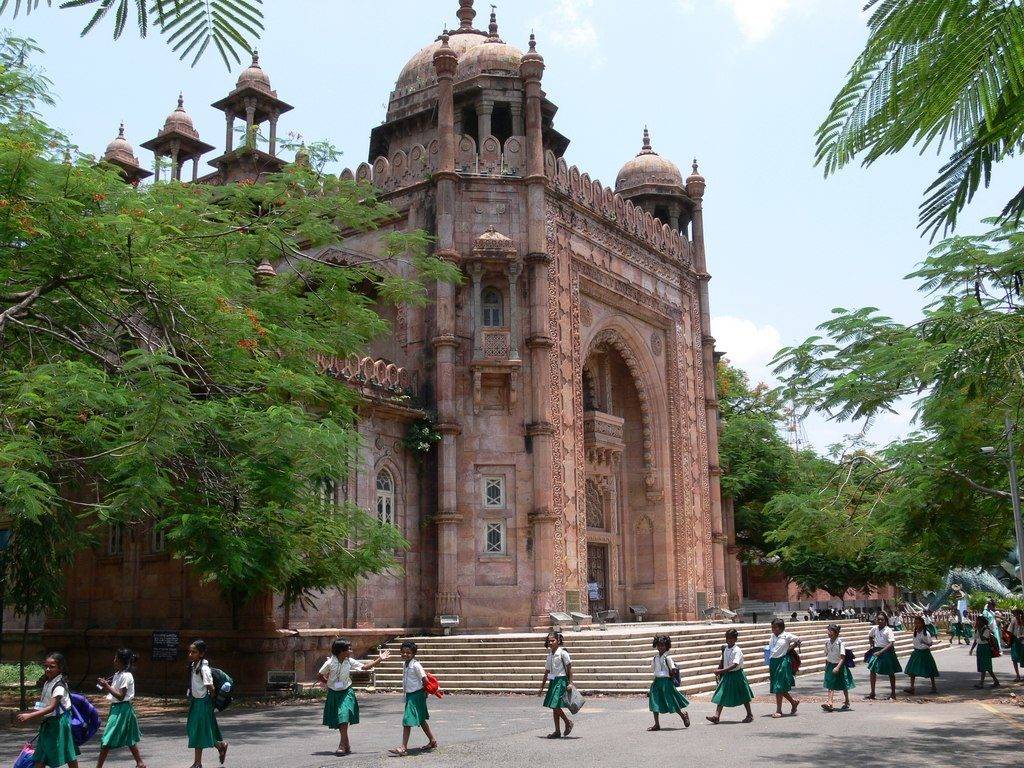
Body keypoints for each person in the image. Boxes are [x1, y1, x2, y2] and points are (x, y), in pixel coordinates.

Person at [317, 639, 390, 756]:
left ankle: (342, 745)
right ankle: (346, 744)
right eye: (349, 648)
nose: (351, 650)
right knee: (340, 719)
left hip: (346, 692)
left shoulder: (349, 661)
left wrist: (380, 659)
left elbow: (365, 667)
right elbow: (319, 675)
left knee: (343, 714)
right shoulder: (330, 663)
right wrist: (327, 683)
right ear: (341, 651)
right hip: (334, 693)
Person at [15, 652, 80, 768]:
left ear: (60, 668)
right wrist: (31, 713)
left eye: (52, 667)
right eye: (46, 666)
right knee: (41, 755)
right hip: (48, 723)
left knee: (68, 752)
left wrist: (30, 716)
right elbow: (43, 704)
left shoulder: (59, 685)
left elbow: (52, 707)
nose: (48, 669)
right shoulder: (47, 683)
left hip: (59, 723)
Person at [95, 648, 146, 768]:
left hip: (122, 708)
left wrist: (106, 686)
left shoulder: (127, 676)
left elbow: (121, 696)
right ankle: (140, 763)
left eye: (116, 659)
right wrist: (105, 684)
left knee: (106, 739)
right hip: (116, 708)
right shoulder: (118, 674)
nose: (114, 661)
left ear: (122, 662)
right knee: (129, 737)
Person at [389, 641, 437, 756]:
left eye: (408, 653)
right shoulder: (405, 664)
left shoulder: (416, 665)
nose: (405, 654)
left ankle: (403, 747)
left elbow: (424, 679)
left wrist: (425, 692)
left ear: (414, 654)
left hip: (417, 695)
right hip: (410, 695)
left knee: (407, 720)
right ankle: (432, 740)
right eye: (403, 652)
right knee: (421, 719)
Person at [186, 640, 227, 768]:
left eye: (194, 652)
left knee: (199, 730)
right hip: (196, 701)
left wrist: (211, 701)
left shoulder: (204, 668)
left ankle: (197, 763)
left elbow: (211, 687)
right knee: (195, 729)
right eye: (190, 652)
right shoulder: (194, 666)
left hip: (203, 702)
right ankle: (220, 746)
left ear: (201, 653)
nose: (191, 654)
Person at [706, 629, 754, 724]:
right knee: (722, 693)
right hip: (727, 675)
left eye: (731, 639)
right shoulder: (725, 649)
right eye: (727, 638)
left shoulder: (737, 650)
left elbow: (735, 664)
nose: (729, 640)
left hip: (737, 675)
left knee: (743, 694)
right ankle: (716, 716)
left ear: (735, 639)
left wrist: (722, 670)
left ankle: (749, 714)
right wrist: (719, 670)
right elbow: (722, 660)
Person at [647, 635, 689, 731]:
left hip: (666, 682)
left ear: (666, 646)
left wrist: (671, 678)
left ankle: (683, 715)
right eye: (659, 645)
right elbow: (652, 669)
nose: (660, 647)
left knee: (672, 701)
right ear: (656, 646)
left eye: (663, 646)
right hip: (657, 681)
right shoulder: (655, 658)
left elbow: (673, 669)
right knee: (654, 702)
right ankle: (656, 724)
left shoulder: (668, 658)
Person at [538, 631, 574, 739]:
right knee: (554, 707)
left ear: (558, 641)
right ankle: (557, 731)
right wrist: (542, 687)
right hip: (553, 681)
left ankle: (568, 722)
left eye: (553, 640)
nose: (550, 643)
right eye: (549, 641)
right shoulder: (549, 655)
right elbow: (547, 672)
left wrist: (570, 683)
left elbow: (569, 668)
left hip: (562, 681)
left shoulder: (563, 653)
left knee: (555, 705)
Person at [765, 619, 801, 718]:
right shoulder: (772, 636)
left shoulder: (787, 635)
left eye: (775, 627)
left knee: (779, 686)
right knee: (778, 686)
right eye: (772, 627)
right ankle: (793, 703)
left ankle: (779, 710)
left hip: (782, 661)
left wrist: (790, 649)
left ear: (781, 628)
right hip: (773, 662)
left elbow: (798, 640)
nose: (773, 629)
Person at [865, 613, 901, 700]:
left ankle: (893, 693)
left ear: (886, 621)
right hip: (876, 651)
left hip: (887, 652)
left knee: (890, 673)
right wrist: (871, 645)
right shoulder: (874, 629)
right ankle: (872, 692)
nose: (880, 621)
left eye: (882, 620)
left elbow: (891, 643)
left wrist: (881, 651)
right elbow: (870, 636)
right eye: (878, 619)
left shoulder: (888, 630)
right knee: (872, 670)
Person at [821, 624, 854, 712]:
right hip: (830, 665)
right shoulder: (827, 643)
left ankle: (847, 701)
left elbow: (842, 657)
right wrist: (826, 666)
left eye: (831, 631)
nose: (829, 633)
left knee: (843, 685)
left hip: (839, 666)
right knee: (830, 684)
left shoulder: (840, 643)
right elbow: (827, 655)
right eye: (828, 630)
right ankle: (830, 703)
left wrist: (838, 667)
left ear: (836, 633)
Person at [903, 617, 939, 695]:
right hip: (916, 652)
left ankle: (933, 687)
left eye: (918, 623)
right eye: (915, 623)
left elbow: (930, 643)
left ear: (922, 624)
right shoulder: (915, 632)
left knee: (930, 670)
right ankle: (912, 687)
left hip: (924, 653)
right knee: (912, 670)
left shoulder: (926, 633)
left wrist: (924, 642)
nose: (916, 624)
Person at [970, 615, 1001, 689]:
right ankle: (995, 681)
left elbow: (983, 638)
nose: (976, 622)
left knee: (985, 666)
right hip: (980, 648)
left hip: (985, 648)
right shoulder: (977, 629)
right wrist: (971, 649)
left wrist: (979, 630)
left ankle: (981, 683)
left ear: (982, 622)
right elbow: (976, 640)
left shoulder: (986, 629)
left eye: (978, 621)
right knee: (984, 666)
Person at [1008, 608, 1024, 682]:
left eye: (1016, 613)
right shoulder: (1013, 620)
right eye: (1014, 614)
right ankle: (1017, 675)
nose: (1015, 615)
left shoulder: (1022, 620)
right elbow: (1010, 632)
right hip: (1015, 641)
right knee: (1014, 659)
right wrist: (1009, 641)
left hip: (1022, 642)